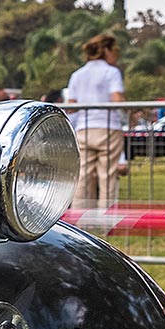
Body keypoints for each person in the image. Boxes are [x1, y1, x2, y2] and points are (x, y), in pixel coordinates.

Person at [64, 32, 126, 209]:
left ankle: (80, 218)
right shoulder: (111, 72)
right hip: (108, 127)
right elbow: (116, 99)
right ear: (106, 50)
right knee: (107, 176)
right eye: (115, 50)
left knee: (83, 175)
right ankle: (106, 219)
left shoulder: (77, 74)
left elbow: (72, 106)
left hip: (84, 127)